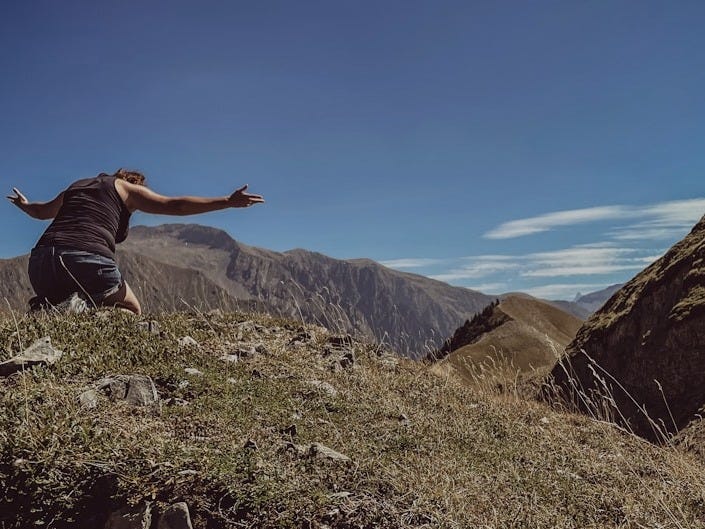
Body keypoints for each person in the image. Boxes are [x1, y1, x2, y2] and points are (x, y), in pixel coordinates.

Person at [6, 168, 264, 314]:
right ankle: (79, 315)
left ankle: (51, 310)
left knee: (68, 297)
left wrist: (24, 205)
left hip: (39, 263)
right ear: (134, 183)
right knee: (131, 309)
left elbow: (42, 212)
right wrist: (228, 202)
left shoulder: (77, 187)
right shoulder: (126, 188)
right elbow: (176, 205)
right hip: (85, 258)